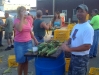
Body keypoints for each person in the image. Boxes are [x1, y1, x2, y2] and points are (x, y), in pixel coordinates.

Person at [61, 4, 94, 75]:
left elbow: (87, 46)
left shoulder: (88, 28)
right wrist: (66, 43)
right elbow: (71, 37)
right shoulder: (76, 26)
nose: (79, 13)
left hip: (81, 59)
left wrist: (69, 49)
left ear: (87, 13)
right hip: (73, 57)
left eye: (81, 11)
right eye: (78, 11)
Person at [14, 6, 38, 75]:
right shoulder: (16, 20)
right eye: (22, 11)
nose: (24, 13)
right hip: (19, 44)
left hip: (28, 43)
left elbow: (30, 32)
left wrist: (35, 40)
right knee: (21, 62)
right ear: (19, 13)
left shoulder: (27, 20)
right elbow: (20, 29)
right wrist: (21, 17)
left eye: (25, 11)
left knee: (26, 61)